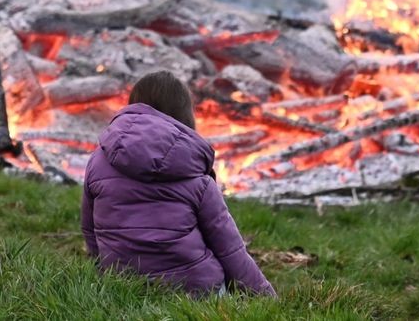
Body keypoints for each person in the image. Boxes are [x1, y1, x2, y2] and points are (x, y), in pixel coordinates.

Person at [80, 71, 276, 297]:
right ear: (185, 114)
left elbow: (90, 230)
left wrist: (102, 272)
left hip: (121, 286)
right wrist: (265, 296)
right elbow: (230, 249)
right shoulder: (196, 175)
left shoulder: (98, 161)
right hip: (195, 290)